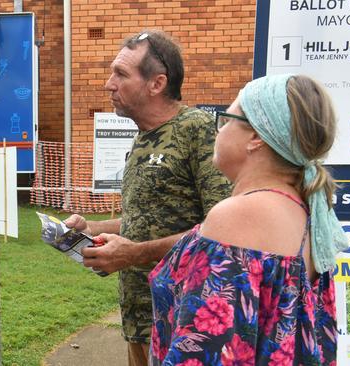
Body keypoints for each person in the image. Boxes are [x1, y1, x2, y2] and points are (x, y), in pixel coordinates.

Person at [148, 74, 346, 365]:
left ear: (255, 137)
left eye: (227, 119)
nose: (220, 130)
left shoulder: (240, 216)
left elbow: (202, 353)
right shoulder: (305, 211)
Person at [65, 30, 231, 366]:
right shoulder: (143, 137)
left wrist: (134, 253)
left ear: (156, 84)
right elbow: (146, 220)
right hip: (139, 319)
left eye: (121, 74)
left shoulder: (196, 130)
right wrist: (91, 226)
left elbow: (221, 232)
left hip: (185, 319)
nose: (108, 84)